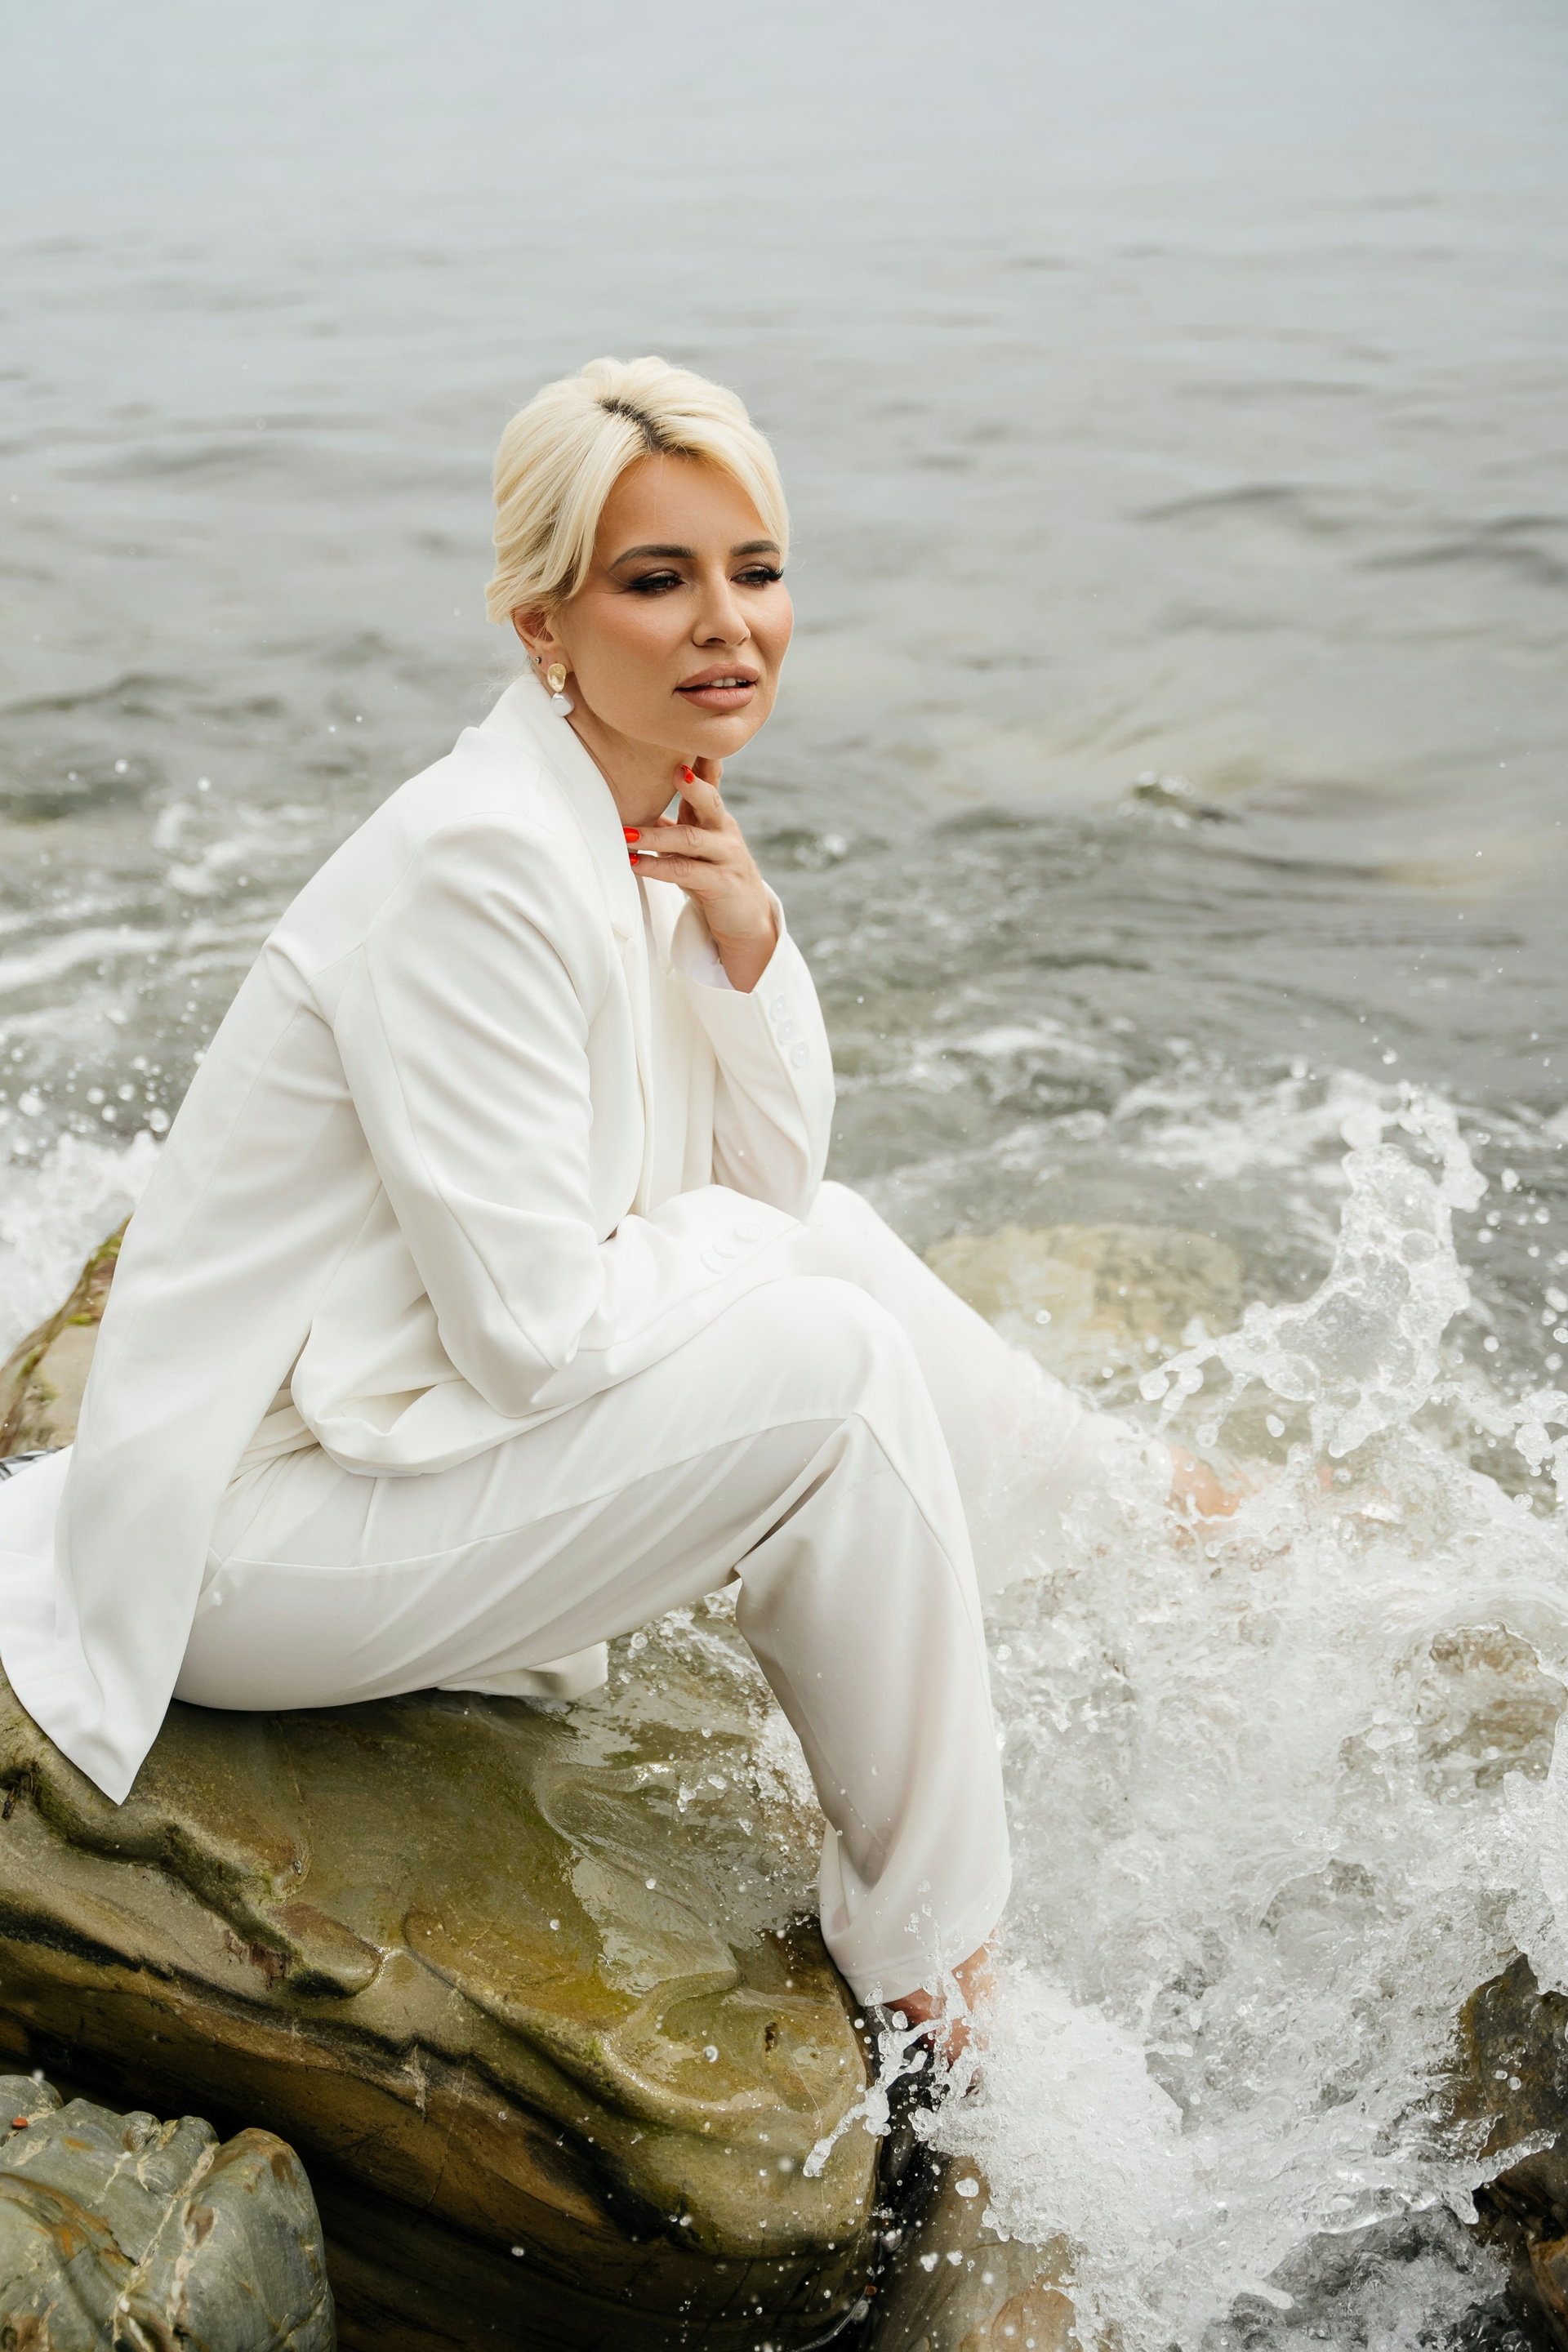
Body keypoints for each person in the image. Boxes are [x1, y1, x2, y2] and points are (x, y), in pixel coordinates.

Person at [0, 358, 1228, 2039]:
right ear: (543, 627)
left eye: (757, 570)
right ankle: (937, 1969)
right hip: (238, 1548)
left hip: (375, 1434)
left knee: (826, 1252)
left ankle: (1144, 1518)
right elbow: (534, 1334)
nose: (729, 623)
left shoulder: (630, 824)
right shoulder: (486, 863)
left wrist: (749, 951)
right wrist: (761, 1250)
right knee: (833, 1360)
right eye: (658, 580)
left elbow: (766, 1187)